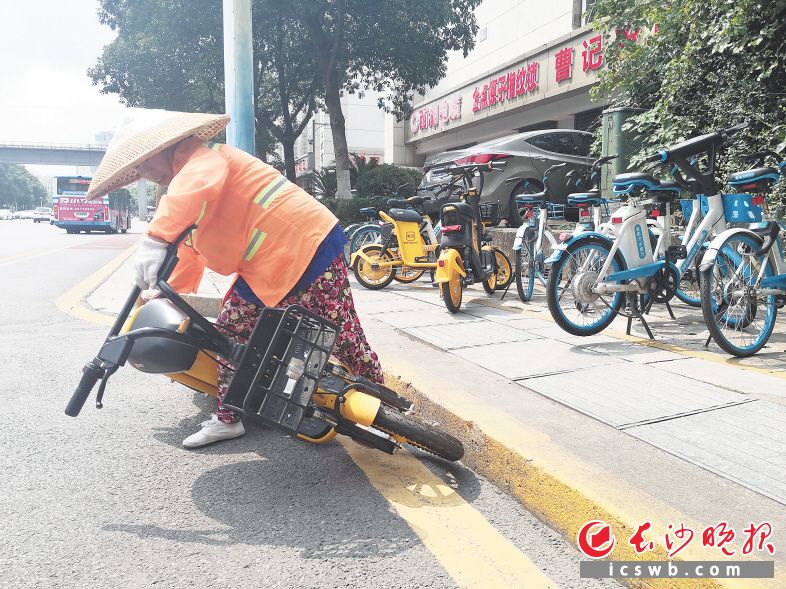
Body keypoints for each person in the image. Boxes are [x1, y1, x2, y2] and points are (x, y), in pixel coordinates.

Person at [87, 109, 383, 448]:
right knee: (227, 335)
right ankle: (229, 417)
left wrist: (155, 237)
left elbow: (192, 191)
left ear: (164, 148)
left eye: (143, 162)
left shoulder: (200, 160)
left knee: (342, 330)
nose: (144, 173)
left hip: (305, 244)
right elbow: (188, 250)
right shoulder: (181, 189)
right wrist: (169, 294)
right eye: (136, 169)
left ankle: (381, 399)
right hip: (264, 266)